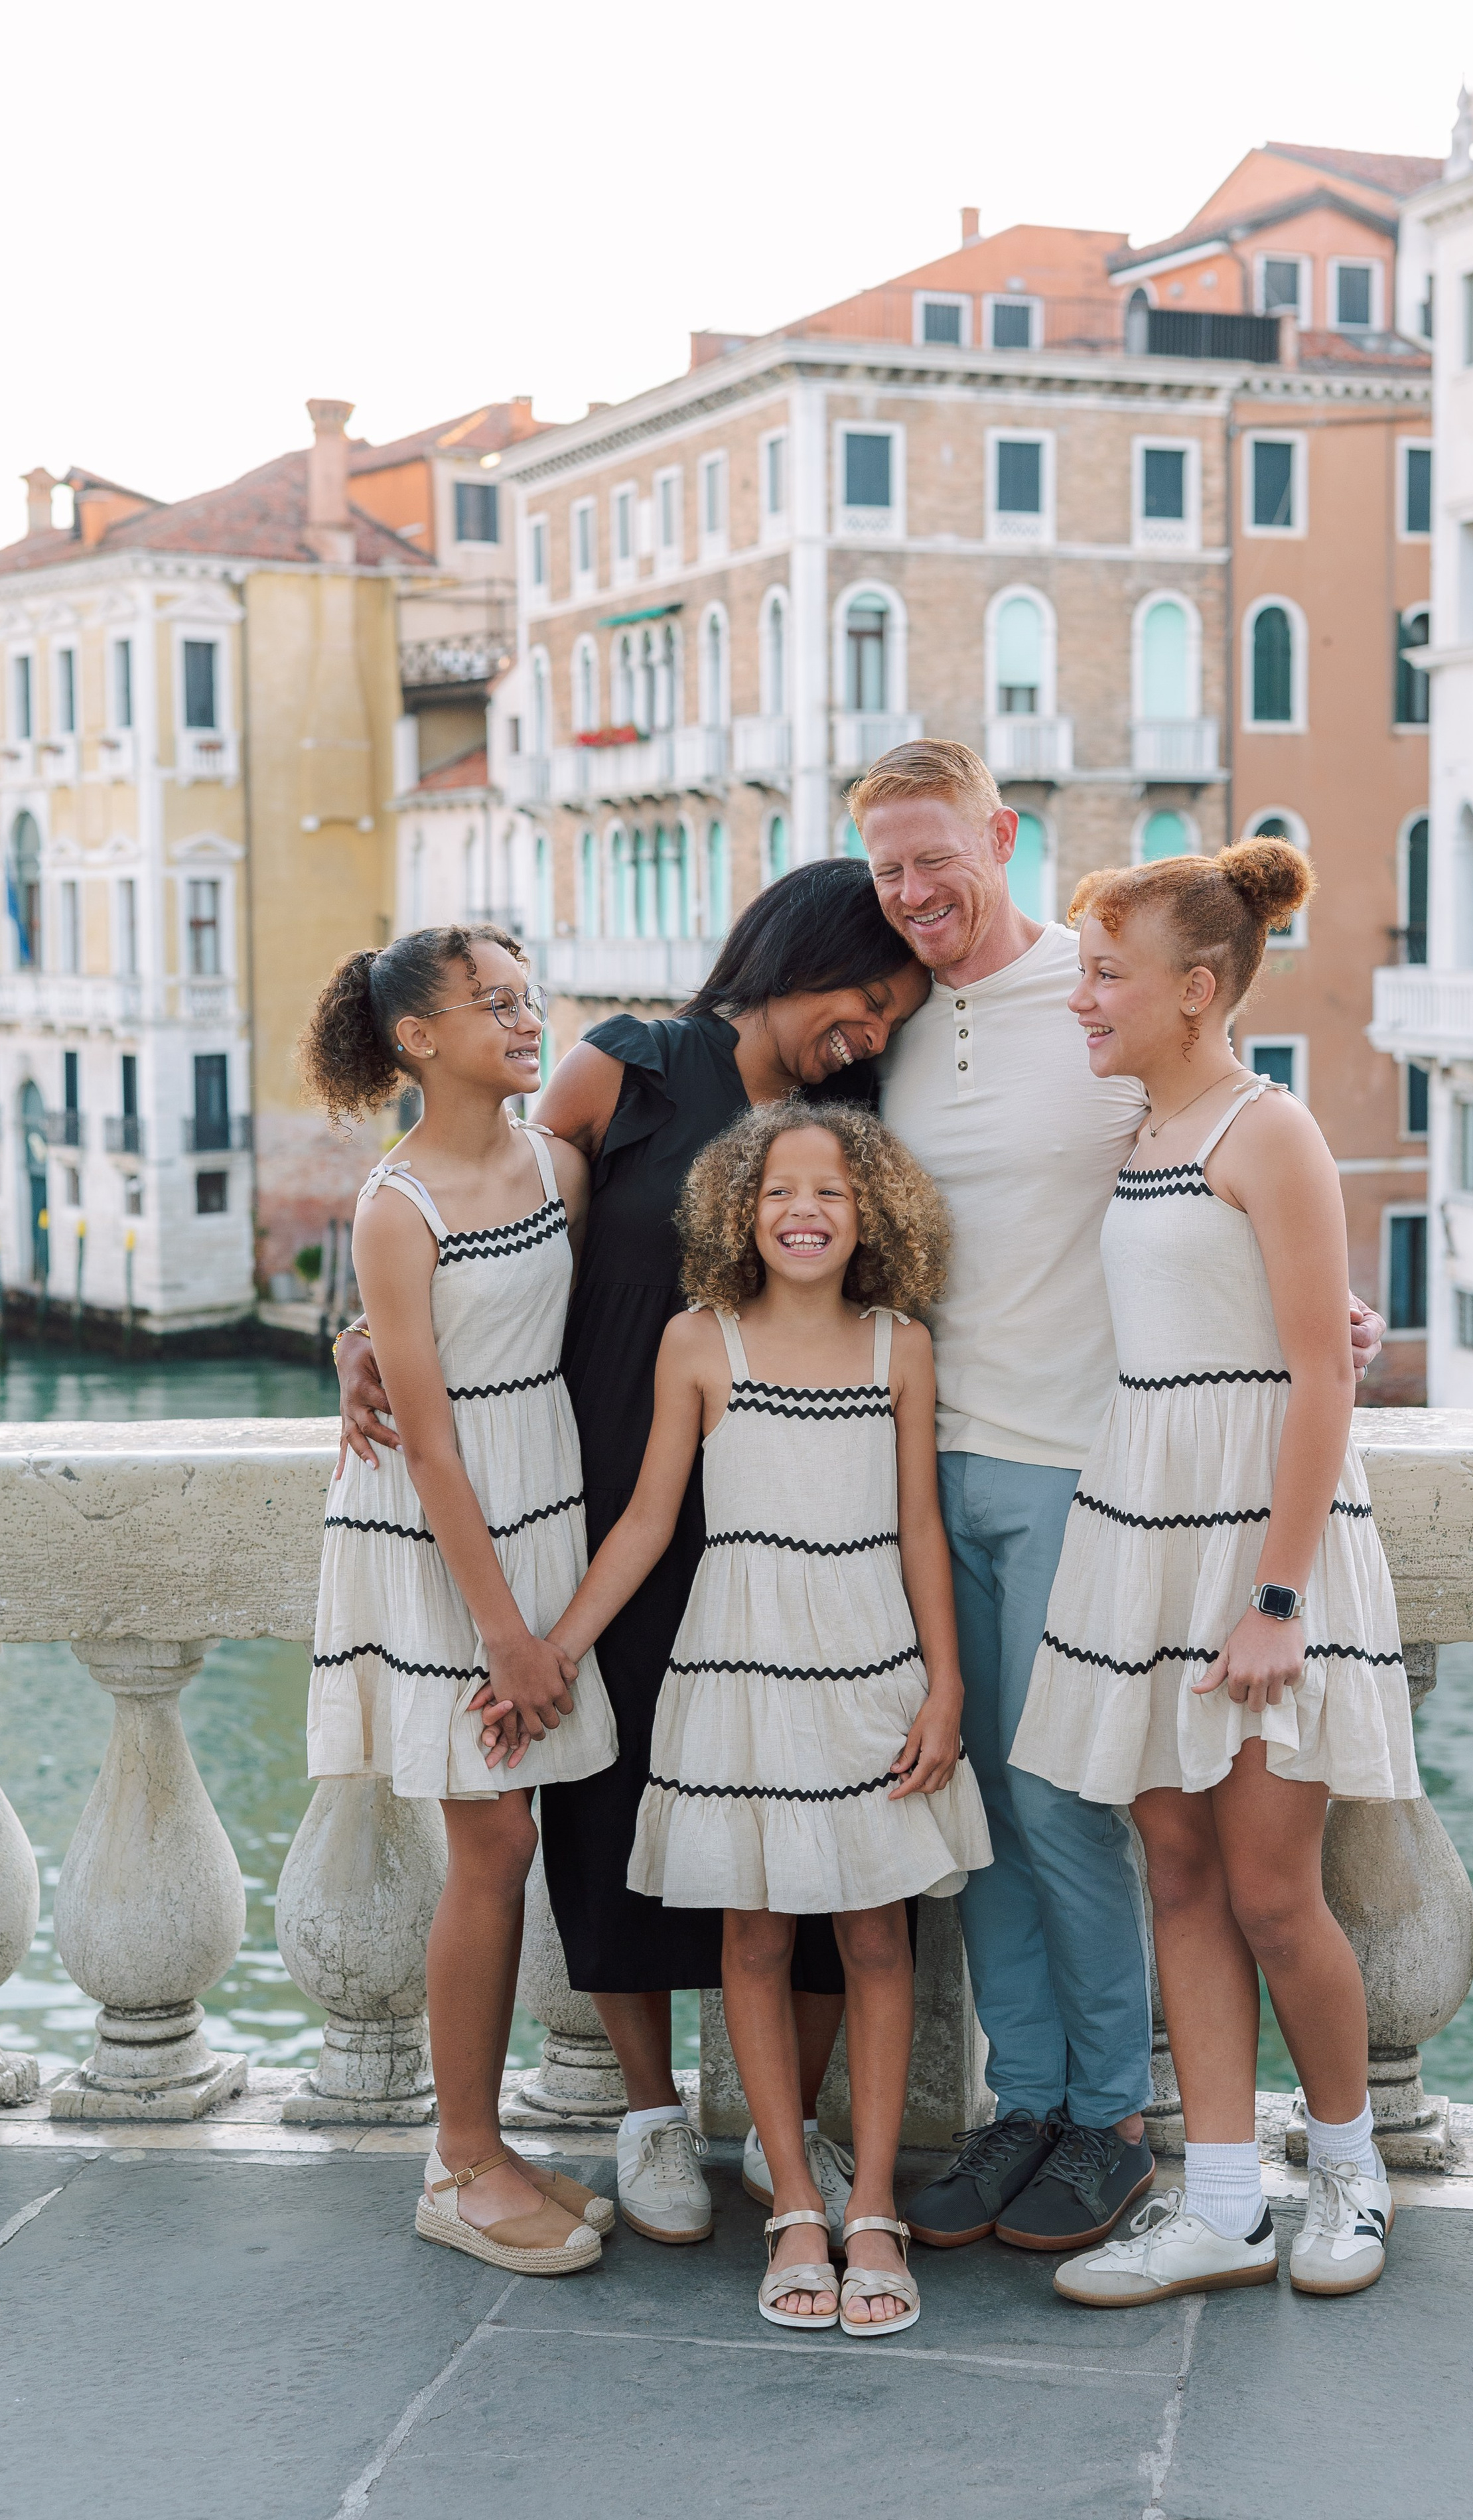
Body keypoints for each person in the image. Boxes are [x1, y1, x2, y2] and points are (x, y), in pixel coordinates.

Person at [333, 863, 928, 2244]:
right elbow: (482, 1221)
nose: (872, 1030)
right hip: (603, 1502)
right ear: (792, 956)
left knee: (820, 1823)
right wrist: (353, 1335)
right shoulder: (628, 1068)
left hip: (798, 1513)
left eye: (892, 1013)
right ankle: (653, 2116)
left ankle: (798, 2140)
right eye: (862, 996)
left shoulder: (861, 1111)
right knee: (610, 1812)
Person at [848, 739, 1387, 2259]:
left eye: (932, 855)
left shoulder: (1151, 1058)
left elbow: (1280, 1300)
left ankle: (1125, 2123)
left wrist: (1321, 1341)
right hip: (933, 1468)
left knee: (1102, 1829)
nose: (909, 891)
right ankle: (1060, 2117)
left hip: (1103, 1477)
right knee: (1001, 1823)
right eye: (884, 866)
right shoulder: (882, 1013)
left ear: (998, 835)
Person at [1009, 843, 1416, 2308]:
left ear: (1195, 988)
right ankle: (1226, 2203)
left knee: (1268, 1889)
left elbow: (1318, 1377)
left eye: (1105, 974)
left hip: (1256, 1541)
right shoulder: (1135, 1135)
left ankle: (1352, 2173)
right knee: (1172, 1871)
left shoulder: (1267, 1128)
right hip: (1143, 1523)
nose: (1082, 999)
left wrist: (1278, 1597)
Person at [522, 1101, 991, 2331]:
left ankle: (874, 2204)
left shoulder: (902, 1346)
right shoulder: (699, 1343)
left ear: (870, 1214)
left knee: (879, 1940)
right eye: (781, 1190)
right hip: (736, 1668)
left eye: (832, 1192)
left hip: (873, 1670)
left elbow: (921, 1532)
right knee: (756, 1939)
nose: (804, 1211)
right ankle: (791, 2201)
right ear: (740, 1209)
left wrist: (945, 1686)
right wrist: (556, 1648)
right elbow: (644, 1523)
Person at [300, 926, 618, 2278]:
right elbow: (427, 1443)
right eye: (492, 1003)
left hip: (543, 1503)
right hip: (444, 1539)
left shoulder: (556, 1162)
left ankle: (482, 2145)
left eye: (526, 994)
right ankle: (461, 2162)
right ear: (418, 1038)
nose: (524, 1016)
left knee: (513, 1842)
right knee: (488, 1848)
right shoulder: (396, 1204)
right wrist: (506, 1634)